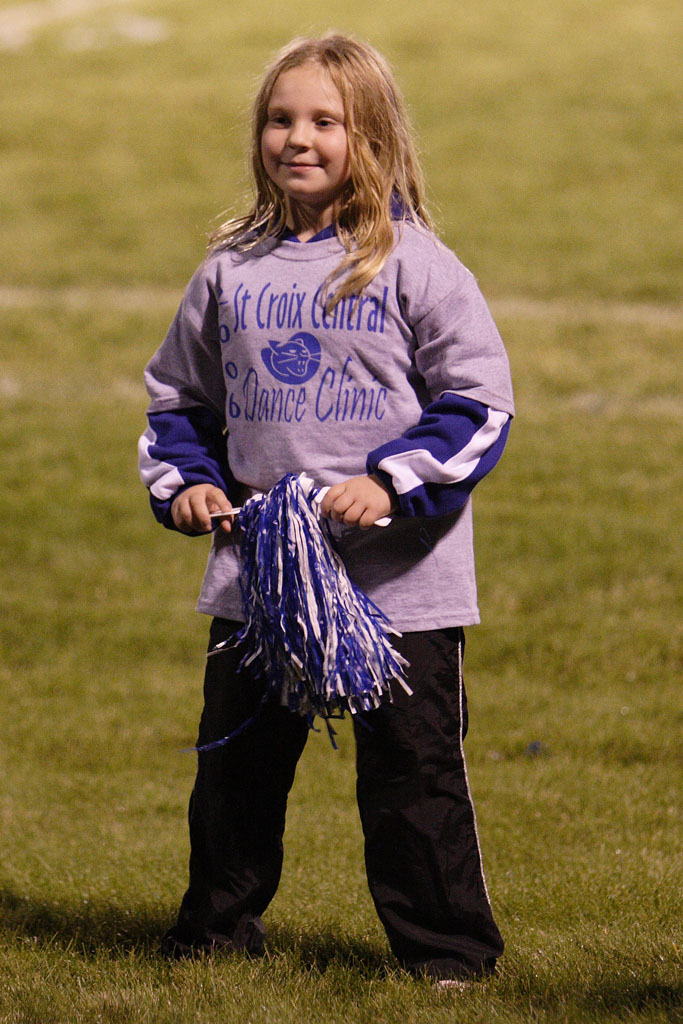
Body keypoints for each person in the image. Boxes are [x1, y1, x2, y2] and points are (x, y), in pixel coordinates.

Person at [138, 33, 514, 983]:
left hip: (398, 586)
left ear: (372, 136)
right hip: (262, 579)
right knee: (235, 767)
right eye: (279, 119)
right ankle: (214, 934)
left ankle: (446, 954)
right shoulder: (230, 270)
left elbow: (479, 404)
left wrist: (389, 482)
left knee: (411, 773)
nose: (296, 139)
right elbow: (178, 401)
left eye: (324, 122)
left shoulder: (415, 263)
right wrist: (189, 485)